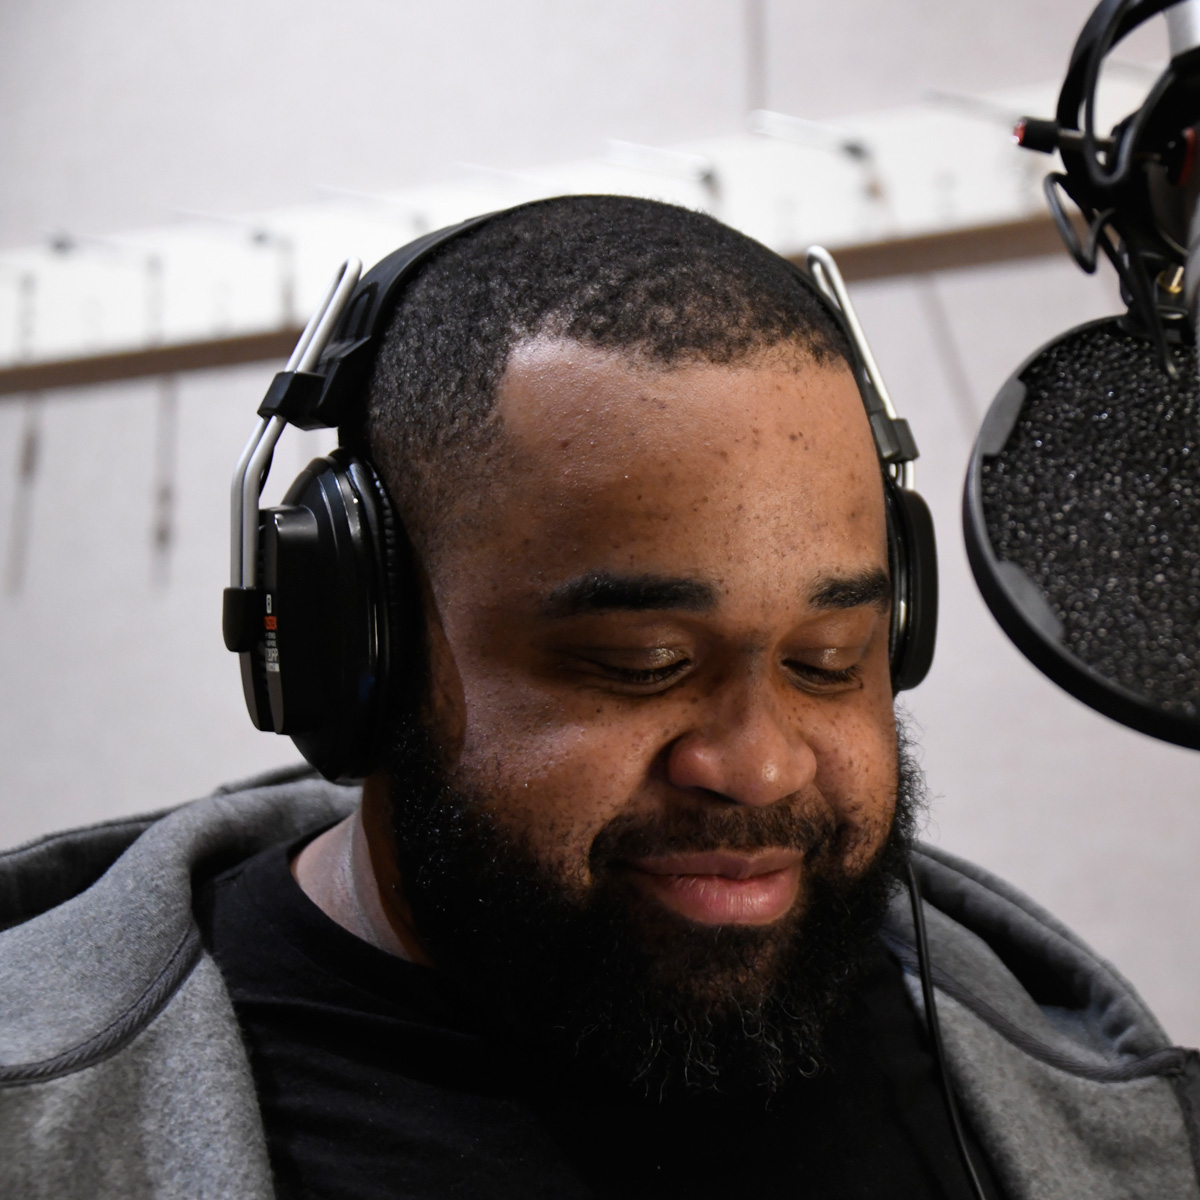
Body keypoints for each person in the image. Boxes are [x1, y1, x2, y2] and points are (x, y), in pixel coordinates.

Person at [0, 197, 1195, 1200]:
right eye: (641, 665)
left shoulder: (1111, 1127)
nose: (760, 763)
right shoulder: (44, 1131)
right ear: (349, 648)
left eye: (829, 660)